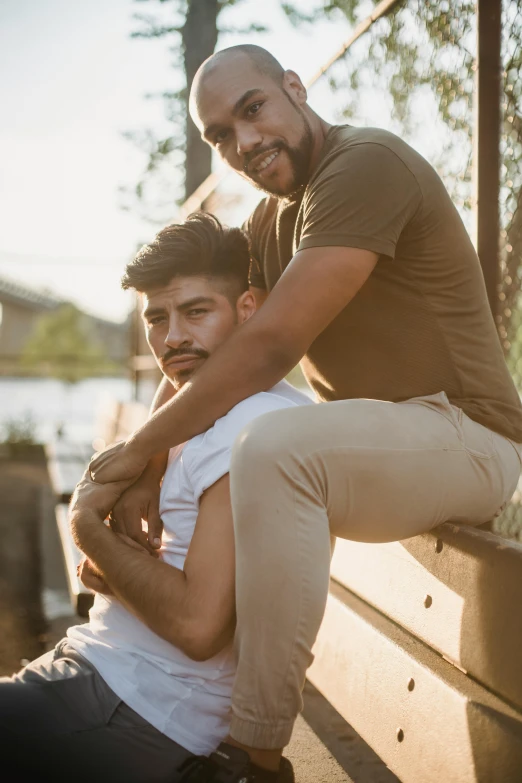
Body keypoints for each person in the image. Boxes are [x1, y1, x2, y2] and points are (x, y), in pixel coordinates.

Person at [89, 45, 522, 783]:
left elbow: (271, 343)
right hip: (384, 449)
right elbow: (212, 352)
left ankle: (255, 758)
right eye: (220, 135)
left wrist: (130, 458)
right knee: (277, 445)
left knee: (276, 446)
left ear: (293, 89)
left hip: (471, 436)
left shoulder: (363, 165)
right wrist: (148, 461)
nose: (244, 142)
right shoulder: (268, 224)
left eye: (253, 110)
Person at [0, 213, 310, 783]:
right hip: (103, 675)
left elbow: (198, 628)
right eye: (157, 319)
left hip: (143, 710)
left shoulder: (253, 429)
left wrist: (87, 526)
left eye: (196, 312)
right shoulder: (201, 409)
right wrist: (146, 474)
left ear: (247, 310)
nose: (172, 339)